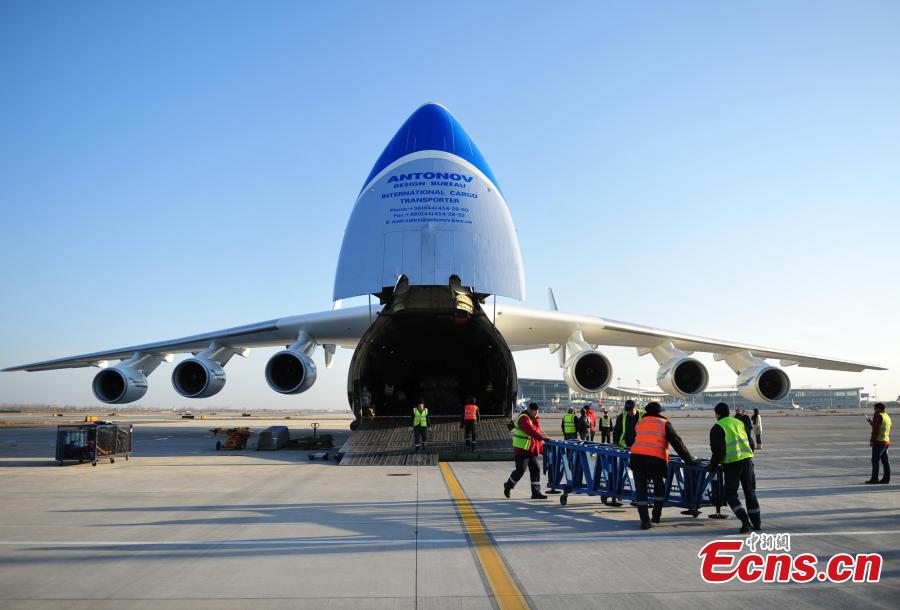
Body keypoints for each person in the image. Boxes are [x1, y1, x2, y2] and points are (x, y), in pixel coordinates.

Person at [630, 402, 698, 529]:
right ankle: (656, 516)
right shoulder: (663, 423)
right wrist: (689, 460)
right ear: (659, 411)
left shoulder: (640, 422)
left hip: (637, 458)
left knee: (641, 491)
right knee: (659, 488)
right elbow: (678, 443)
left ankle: (645, 521)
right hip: (655, 459)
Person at [709, 402, 759, 533]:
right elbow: (750, 441)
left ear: (717, 414)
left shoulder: (718, 426)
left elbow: (718, 452)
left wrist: (712, 465)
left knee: (730, 494)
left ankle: (745, 521)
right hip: (747, 460)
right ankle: (757, 523)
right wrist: (749, 455)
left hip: (732, 464)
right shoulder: (739, 422)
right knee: (750, 492)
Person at [504, 403, 551, 499]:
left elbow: (534, 434)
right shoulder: (523, 418)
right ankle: (508, 485)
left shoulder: (535, 418)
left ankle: (536, 493)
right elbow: (530, 431)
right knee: (520, 470)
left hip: (532, 450)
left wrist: (541, 448)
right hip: (522, 450)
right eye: (535, 411)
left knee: (535, 470)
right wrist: (543, 438)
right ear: (530, 410)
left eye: (537, 411)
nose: (537, 413)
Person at [865, 403, 891, 484]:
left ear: (878, 409)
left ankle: (874, 479)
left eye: (875, 408)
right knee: (885, 461)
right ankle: (886, 479)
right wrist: (871, 422)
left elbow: (876, 430)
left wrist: (872, 441)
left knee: (875, 460)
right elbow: (883, 427)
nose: (874, 410)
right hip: (886, 441)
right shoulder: (886, 416)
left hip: (879, 441)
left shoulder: (878, 415)